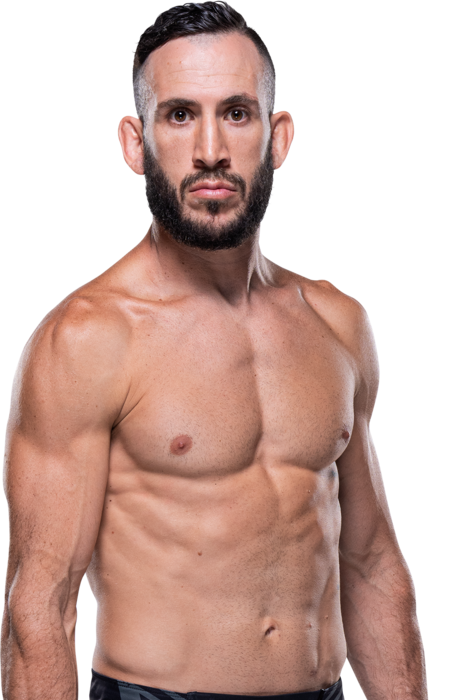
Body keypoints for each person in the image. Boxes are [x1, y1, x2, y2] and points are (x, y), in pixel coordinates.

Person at [0, 2, 428, 699]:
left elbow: (371, 562)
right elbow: (40, 607)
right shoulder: (89, 338)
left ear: (276, 136)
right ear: (135, 143)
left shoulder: (336, 323)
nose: (209, 150)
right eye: (179, 115)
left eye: (235, 112)